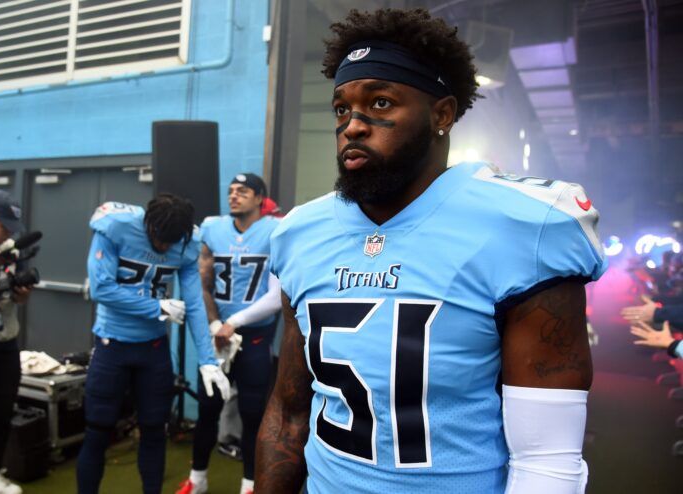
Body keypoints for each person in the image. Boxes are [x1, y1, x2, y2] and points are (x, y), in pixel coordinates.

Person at [256, 8, 606, 494]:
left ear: (441, 114)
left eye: (380, 103)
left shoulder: (521, 226)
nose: (353, 125)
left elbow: (546, 458)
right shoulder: (301, 231)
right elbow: (290, 410)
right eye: (341, 108)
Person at [77, 194, 229, 494]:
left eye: (170, 242)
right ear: (148, 224)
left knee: (154, 431)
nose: (163, 248)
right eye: (159, 238)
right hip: (112, 344)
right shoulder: (117, 224)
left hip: (153, 349)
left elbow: (195, 303)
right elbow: (101, 288)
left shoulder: (187, 241)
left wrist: (208, 360)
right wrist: (156, 308)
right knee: (97, 430)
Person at [177, 174, 281, 494]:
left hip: (254, 336)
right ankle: (197, 480)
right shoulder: (213, 228)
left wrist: (233, 321)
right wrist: (213, 325)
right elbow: (200, 282)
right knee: (208, 410)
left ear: (259, 198)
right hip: (218, 337)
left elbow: (277, 296)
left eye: (243, 191)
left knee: (252, 414)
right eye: (231, 191)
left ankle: (249, 484)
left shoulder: (275, 230)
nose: (234, 196)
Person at [0, 191, 32, 494]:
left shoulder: (10, 251)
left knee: (2, 409)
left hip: (5, 340)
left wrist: (21, 294)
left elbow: (13, 295)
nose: (9, 233)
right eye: (3, 226)